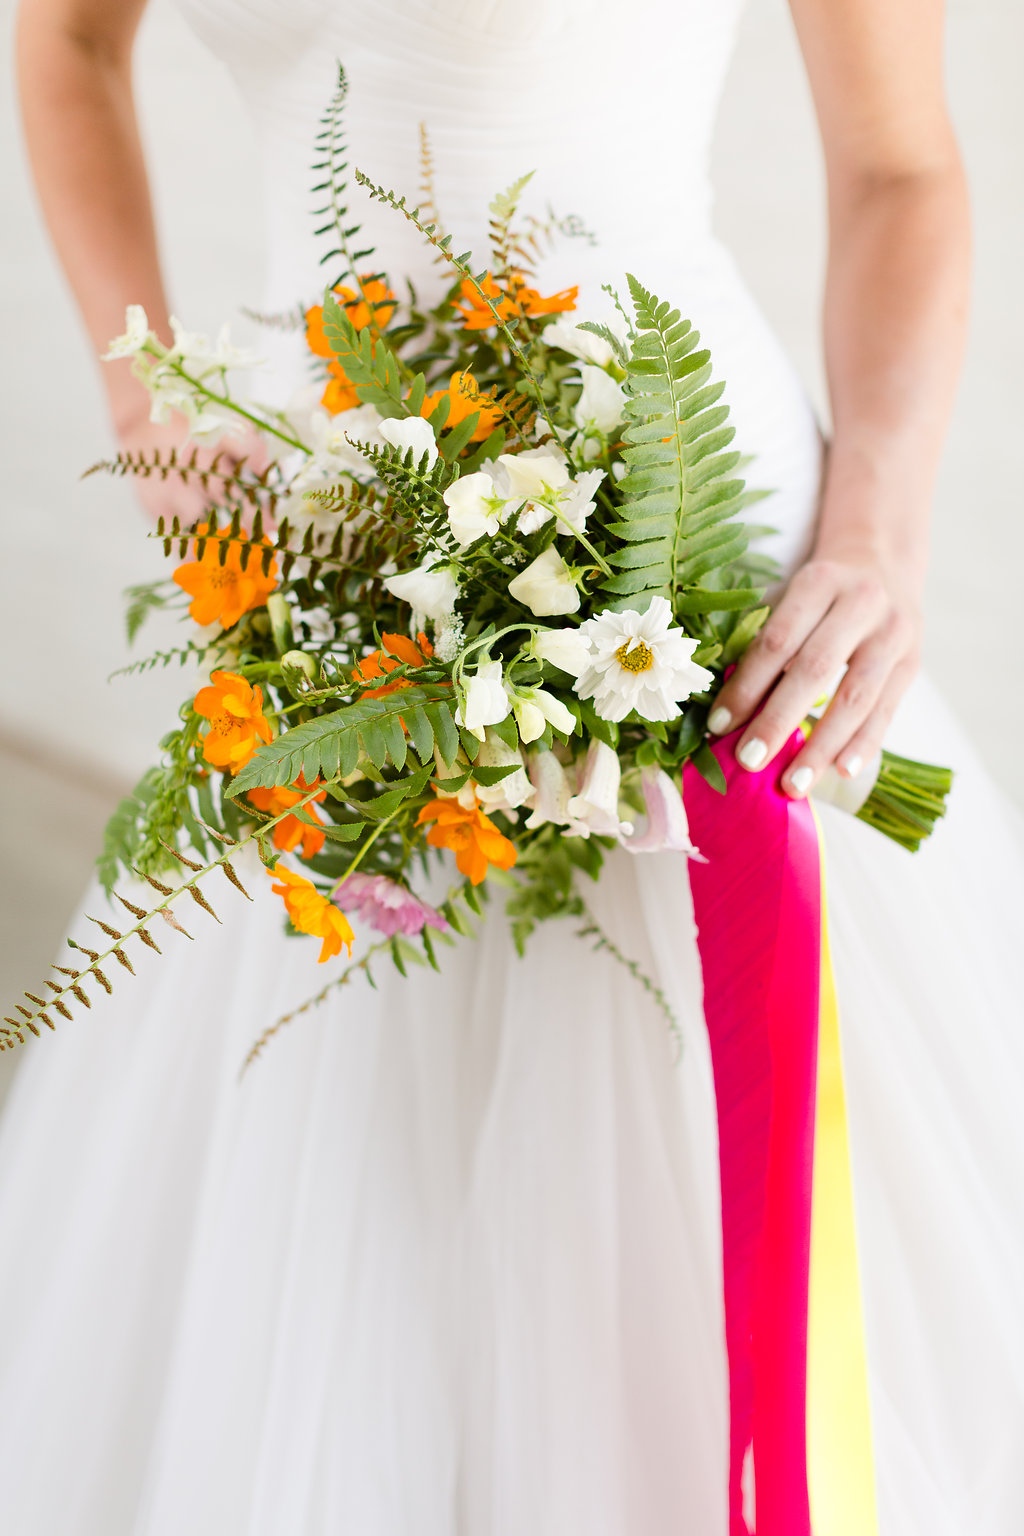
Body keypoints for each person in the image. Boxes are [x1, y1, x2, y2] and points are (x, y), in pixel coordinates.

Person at [4, 0, 1022, 1531]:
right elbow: (67, 41)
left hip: (672, 542)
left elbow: (897, 163)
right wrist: (138, 387)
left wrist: (878, 530)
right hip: (318, 568)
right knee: (323, 1191)